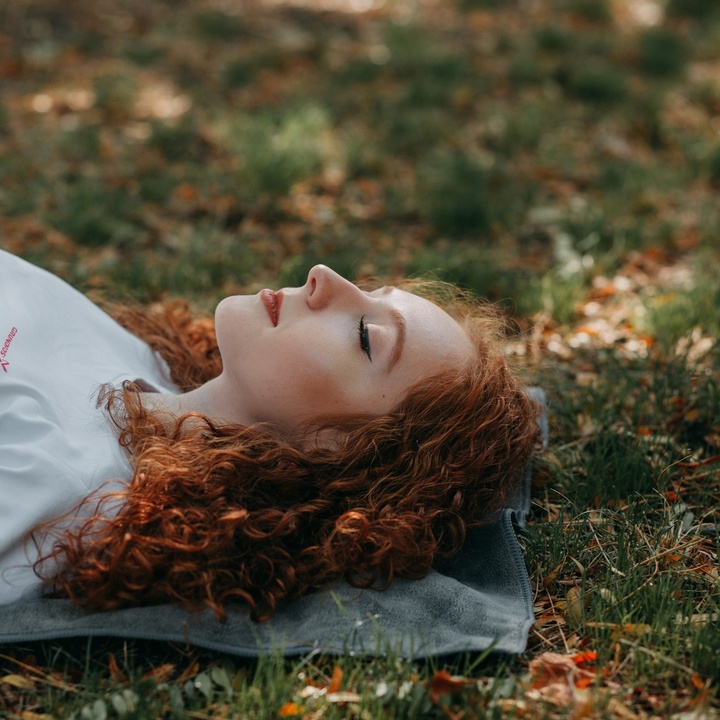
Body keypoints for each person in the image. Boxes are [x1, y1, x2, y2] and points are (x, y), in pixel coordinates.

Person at [0, 249, 539, 621]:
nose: (324, 275)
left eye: (364, 338)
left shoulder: (48, 481)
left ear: (338, 452)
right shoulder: (143, 364)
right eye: (370, 290)